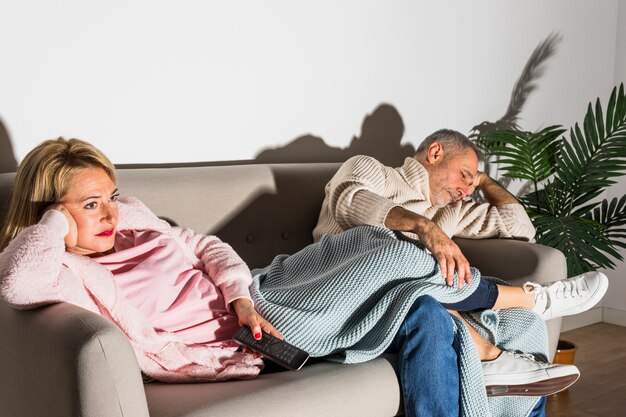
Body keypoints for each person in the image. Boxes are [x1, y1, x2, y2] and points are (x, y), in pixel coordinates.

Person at [0, 137, 588, 417]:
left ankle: (508, 330)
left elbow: (204, 245)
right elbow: (15, 284)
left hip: (257, 293)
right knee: (406, 278)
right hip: (254, 336)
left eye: (111, 196)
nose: (110, 212)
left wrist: (235, 293)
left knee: (383, 253)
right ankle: (521, 308)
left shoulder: (131, 221)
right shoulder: (65, 270)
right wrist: (55, 219)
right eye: (90, 204)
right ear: (49, 212)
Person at [312, 128, 609, 415]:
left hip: (416, 298)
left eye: (472, 183)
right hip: (352, 297)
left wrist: (484, 180)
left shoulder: (452, 210)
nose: (466, 190)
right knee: (428, 311)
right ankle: (528, 305)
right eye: (464, 175)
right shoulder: (372, 170)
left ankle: (513, 331)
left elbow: (520, 227)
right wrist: (424, 227)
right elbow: (349, 203)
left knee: (523, 324)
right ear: (436, 152)